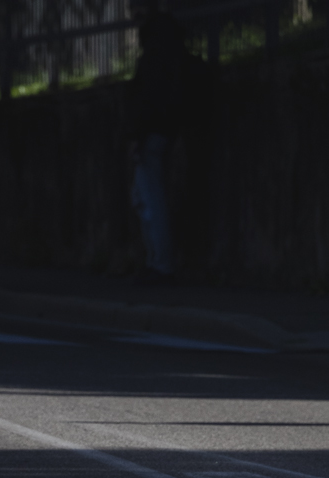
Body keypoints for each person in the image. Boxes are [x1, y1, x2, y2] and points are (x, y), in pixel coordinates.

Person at [128, 10, 190, 284]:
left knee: (150, 201)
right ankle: (158, 262)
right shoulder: (173, 62)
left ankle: (160, 265)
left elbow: (144, 104)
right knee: (149, 199)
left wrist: (137, 137)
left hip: (151, 136)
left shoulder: (153, 64)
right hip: (163, 134)